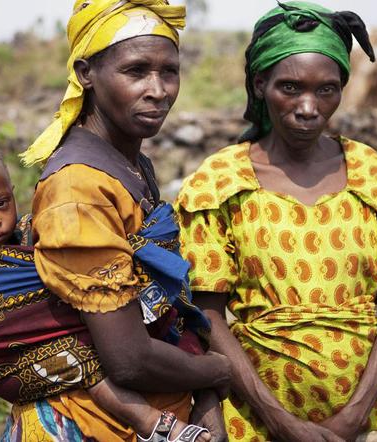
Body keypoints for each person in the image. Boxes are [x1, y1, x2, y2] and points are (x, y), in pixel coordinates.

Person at [176, 2, 377, 441]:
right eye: (290, 87)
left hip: (367, 420)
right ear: (260, 84)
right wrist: (280, 421)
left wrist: (354, 416)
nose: (308, 107)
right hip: (254, 418)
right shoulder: (218, 184)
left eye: (327, 90)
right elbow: (207, 315)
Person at [13, 1, 232, 441]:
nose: (158, 89)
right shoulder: (78, 189)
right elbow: (128, 358)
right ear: (86, 73)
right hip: (92, 424)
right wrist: (216, 370)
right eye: (136, 71)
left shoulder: (130, 164)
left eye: (169, 71)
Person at [0, 139, 212, 442]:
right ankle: (153, 424)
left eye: (0, 203)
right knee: (89, 368)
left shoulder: (29, 232)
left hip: (83, 345)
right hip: (31, 357)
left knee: (110, 345)